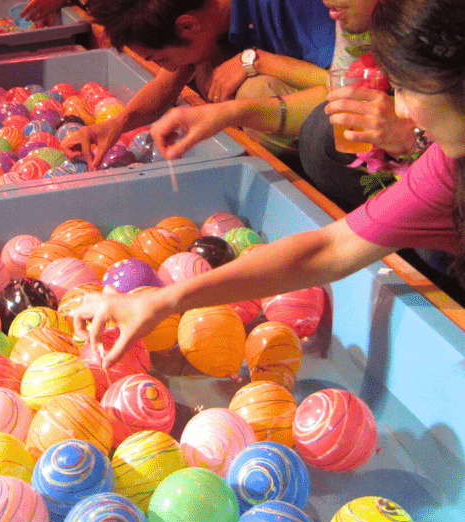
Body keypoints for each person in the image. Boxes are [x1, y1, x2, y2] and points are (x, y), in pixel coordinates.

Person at [70, 0, 465, 364]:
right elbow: (325, 248)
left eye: (406, 88)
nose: (398, 108)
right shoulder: (443, 170)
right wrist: (161, 302)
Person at [65, 0, 336, 167]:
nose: (165, 67)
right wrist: (113, 126)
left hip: (350, 126)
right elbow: (166, 85)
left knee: (251, 90)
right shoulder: (205, 17)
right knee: (208, 67)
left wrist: (254, 60)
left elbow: (345, 86)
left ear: (187, 27)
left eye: (161, 58)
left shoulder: (294, 5)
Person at [298, 0, 423, 211]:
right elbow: (342, 92)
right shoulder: (352, 14)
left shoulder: (442, 19)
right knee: (321, 130)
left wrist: (413, 139)